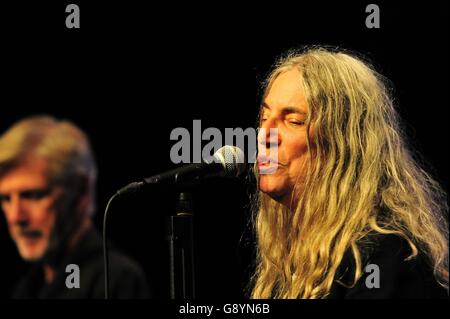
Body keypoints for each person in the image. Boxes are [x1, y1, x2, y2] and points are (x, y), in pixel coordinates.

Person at [251, 47, 448, 299]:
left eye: (294, 121)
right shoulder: (292, 261)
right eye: (264, 117)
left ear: (342, 144)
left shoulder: (385, 258)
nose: (264, 135)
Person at [0, 116, 150, 298]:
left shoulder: (116, 279)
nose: (16, 217)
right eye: (6, 199)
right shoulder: (29, 286)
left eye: (33, 196)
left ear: (80, 190)